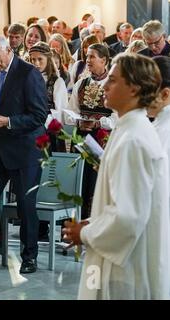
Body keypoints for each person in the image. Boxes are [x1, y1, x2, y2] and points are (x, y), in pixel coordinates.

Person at [63, 53, 170, 300]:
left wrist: (85, 233)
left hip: (124, 268)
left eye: (112, 79)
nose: (104, 86)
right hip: (114, 254)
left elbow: (128, 216)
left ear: (133, 88)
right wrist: (91, 224)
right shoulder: (129, 129)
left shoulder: (133, 138)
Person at [0, 35, 48, 274]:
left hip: (25, 150)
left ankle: (29, 257)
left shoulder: (28, 73)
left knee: (26, 205)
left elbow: (39, 116)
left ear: (9, 49)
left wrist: (9, 122)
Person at [67, 44, 117, 220]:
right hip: (81, 139)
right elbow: (70, 112)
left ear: (104, 60)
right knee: (80, 181)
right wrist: (79, 121)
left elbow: (117, 118)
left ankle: (97, 222)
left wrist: (98, 123)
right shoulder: (81, 83)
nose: (87, 60)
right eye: (86, 56)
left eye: (92, 56)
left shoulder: (112, 84)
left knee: (97, 182)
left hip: (102, 141)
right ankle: (78, 223)